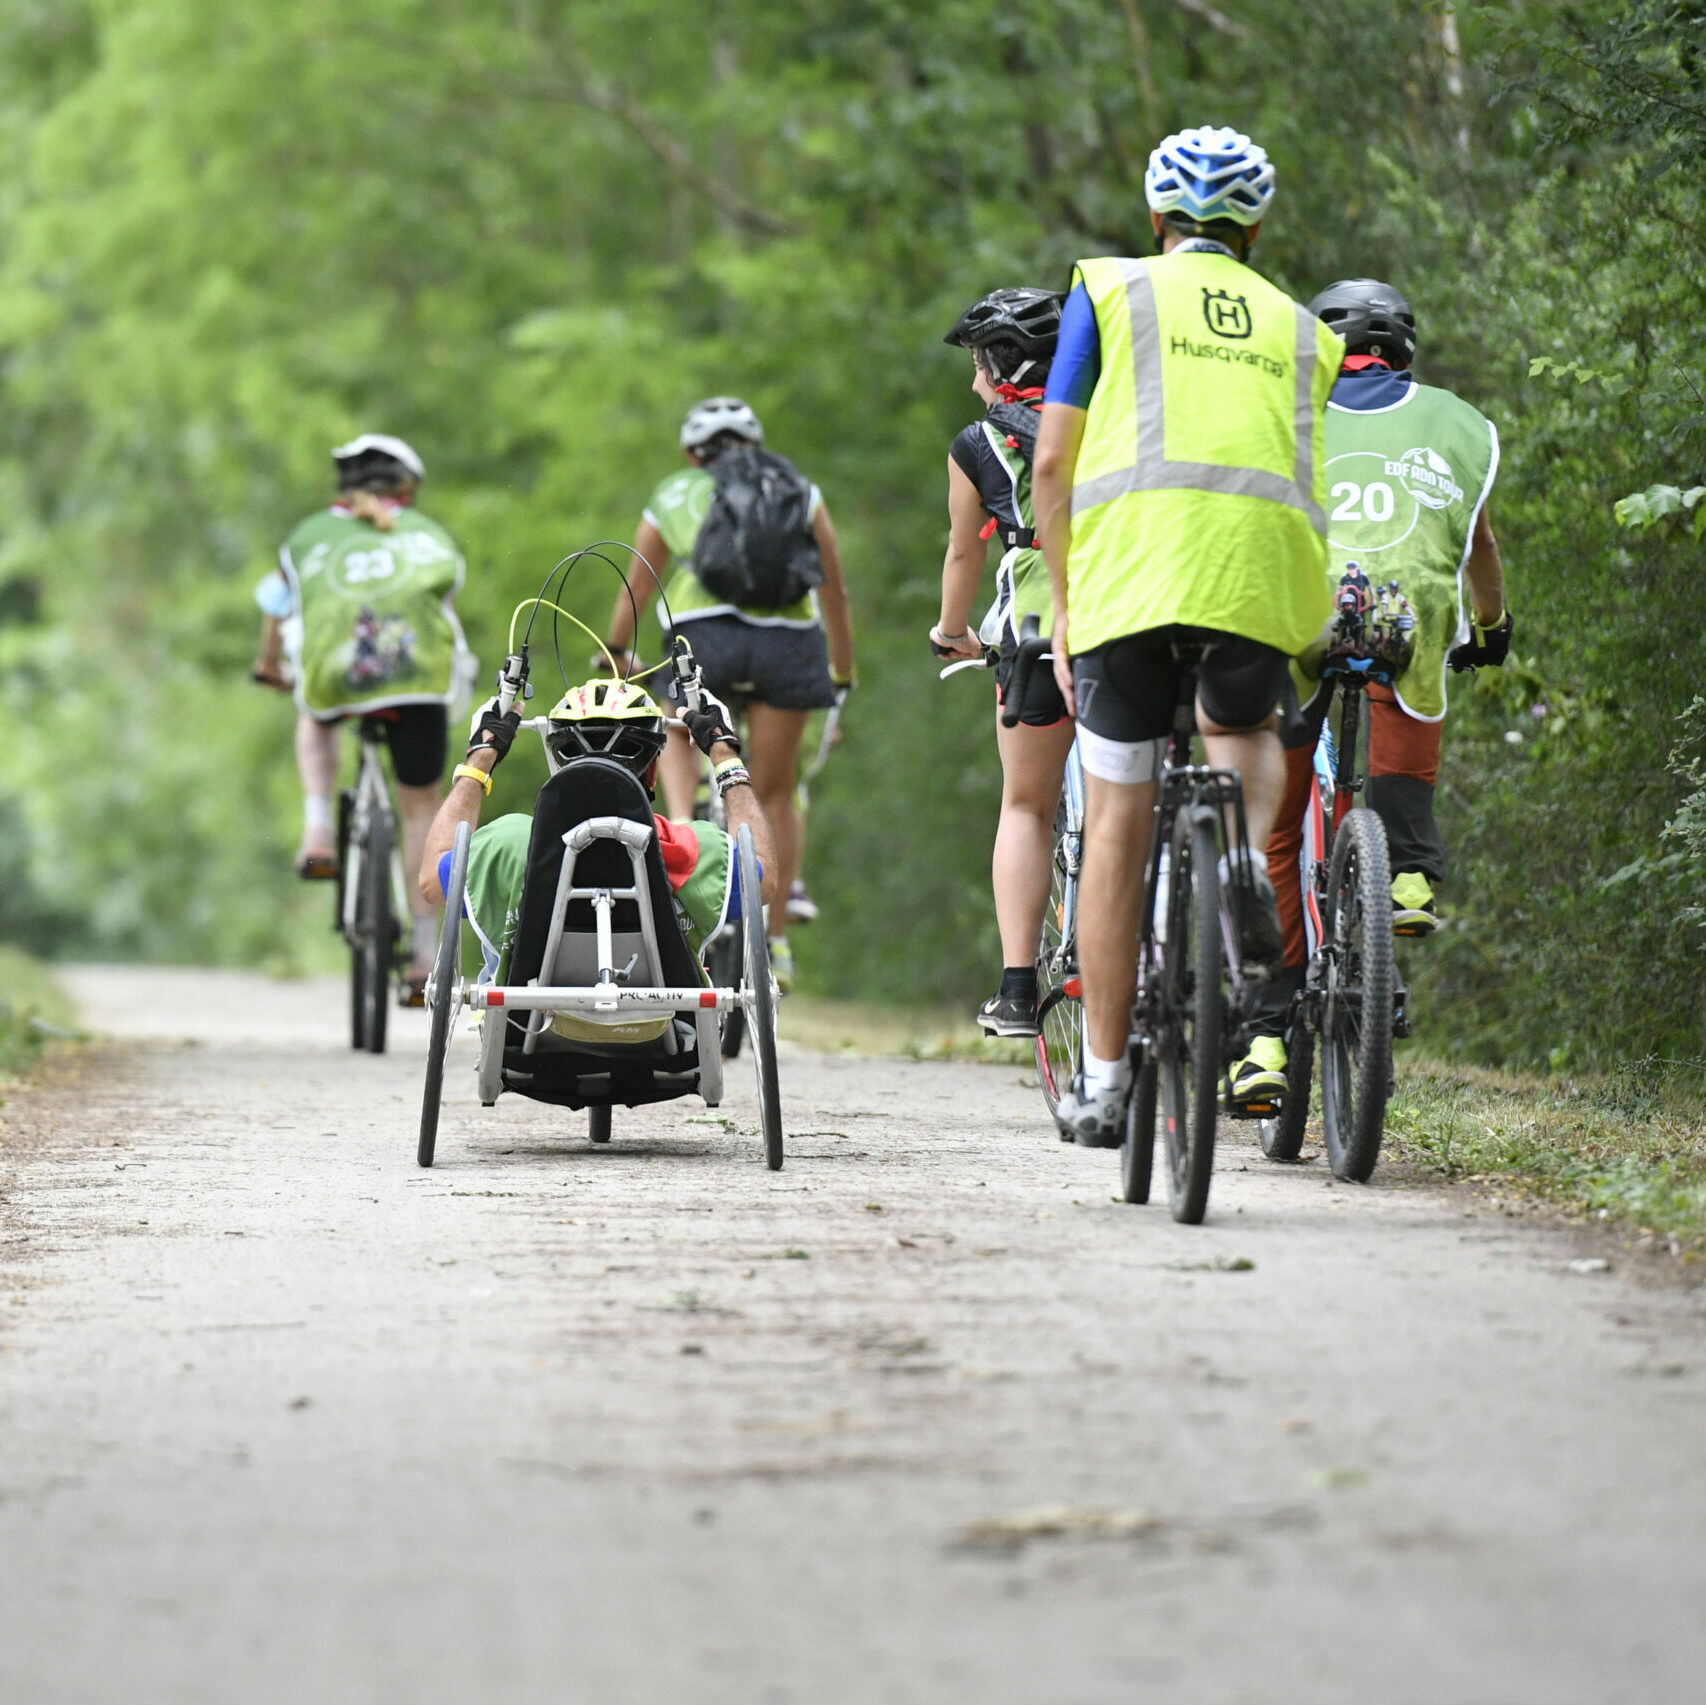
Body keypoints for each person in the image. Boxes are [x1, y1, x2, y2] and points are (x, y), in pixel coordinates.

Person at [1030, 125, 1345, 1145]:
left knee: (1117, 824)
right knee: (1242, 726)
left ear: (1155, 217)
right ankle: (1251, 861)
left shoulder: (1109, 289)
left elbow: (1049, 464)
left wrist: (1064, 605)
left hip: (1129, 580)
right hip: (1258, 578)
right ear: (1252, 227)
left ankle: (1109, 1080)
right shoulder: (1305, 327)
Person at [1234, 277, 1508, 1106]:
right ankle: (1409, 875)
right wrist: (1492, 630)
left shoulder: (1278, 412)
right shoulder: (1456, 422)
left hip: (1300, 616)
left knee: (1277, 836)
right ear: (1402, 351)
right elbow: (1478, 548)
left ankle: (1266, 1040)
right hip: (1404, 616)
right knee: (1412, 667)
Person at [600, 398, 855, 993]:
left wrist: (616, 651)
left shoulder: (674, 493)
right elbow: (834, 589)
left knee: (676, 731)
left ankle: (685, 836)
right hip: (788, 644)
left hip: (703, 638)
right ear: (756, 445)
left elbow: (638, 582)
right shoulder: (800, 489)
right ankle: (777, 938)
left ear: (694, 455)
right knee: (773, 790)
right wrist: (841, 671)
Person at [253, 434, 473, 1000]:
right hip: (417, 680)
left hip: (338, 675)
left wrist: (270, 663)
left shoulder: (306, 536)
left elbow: (278, 606)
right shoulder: (428, 536)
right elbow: (445, 611)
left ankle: (318, 826)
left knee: (315, 710)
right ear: (405, 487)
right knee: (421, 808)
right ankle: (425, 951)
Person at [417, 678, 780, 1007]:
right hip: (662, 1043)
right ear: (653, 771)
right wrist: (725, 757)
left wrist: (478, 762)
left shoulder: (508, 844)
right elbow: (762, 880)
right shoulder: (690, 846)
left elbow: (431, 883)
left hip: (528, 1040)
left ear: (558, 762)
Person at [931, 287, 1073, 1037]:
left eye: (977, 363)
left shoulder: (978, 444)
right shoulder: (1106, 420)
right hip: (1125, 619)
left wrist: (952, 629)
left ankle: (1018, 990)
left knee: (1026, 803)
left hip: (1035, 630)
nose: (973, 380)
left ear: (996, 362)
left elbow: (964, 549)